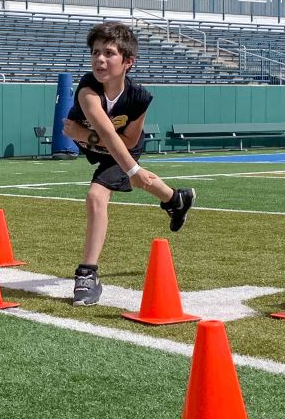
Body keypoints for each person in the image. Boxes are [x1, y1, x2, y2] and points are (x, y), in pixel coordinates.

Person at [62, 21, 196, 306]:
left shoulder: (139, 98)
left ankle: (87, 275)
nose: (100, 58)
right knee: (142, 180)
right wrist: (130, 169)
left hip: (123, 151)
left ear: (128, 62)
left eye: (109, 53)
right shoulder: (87, 90)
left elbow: (128, 143)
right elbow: (109, 133)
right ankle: (176, 199)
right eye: (96, 52)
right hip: (107, 149)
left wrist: (85, 136)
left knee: (96, 196)